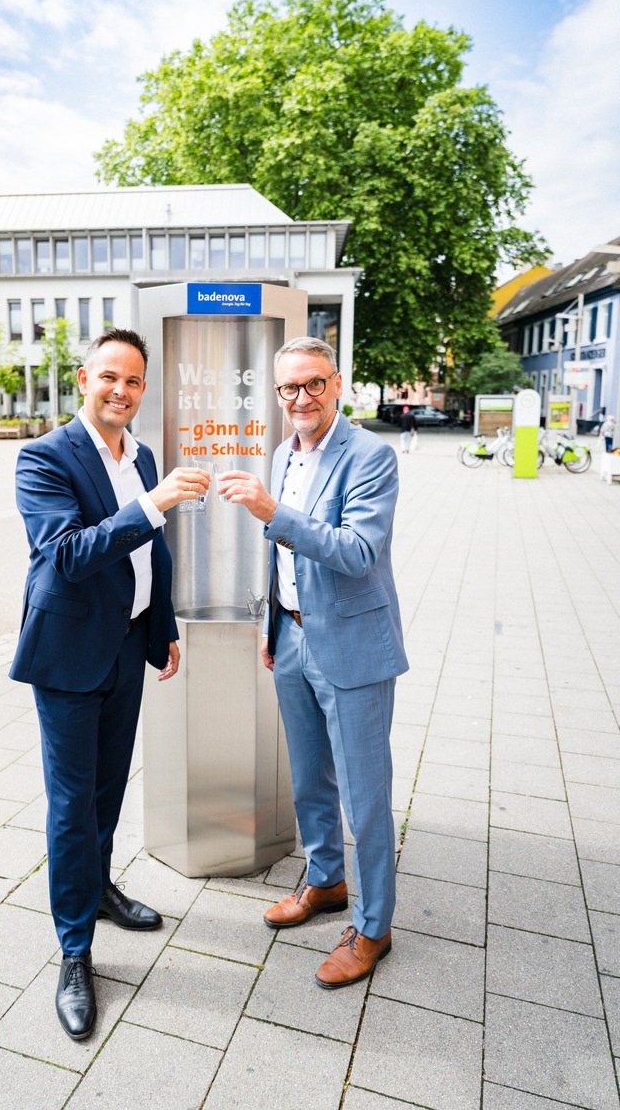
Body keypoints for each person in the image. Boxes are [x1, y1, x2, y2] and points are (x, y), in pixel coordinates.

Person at [10, 328, 210, 1040]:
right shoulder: (44, 458)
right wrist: (152, 503)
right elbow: (66, 555)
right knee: (71, 807)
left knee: (107, 790)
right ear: (83, 378)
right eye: (109, 378)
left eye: (133, 382)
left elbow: (148, 553)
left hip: (126, 648)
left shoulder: (141, 454)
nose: (121, 391)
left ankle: (96, 893)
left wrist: (163, 630)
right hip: (67, 658)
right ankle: (74, 953)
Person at [217, 337, 408, 989]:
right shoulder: (282, 452)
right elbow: (281, 557)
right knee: (308, 779)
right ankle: (326, 882)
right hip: (293, 637)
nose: (300, 399)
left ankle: (374, 926)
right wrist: (273, 624)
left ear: (338, 383)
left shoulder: (371, 456)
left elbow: (357, 552)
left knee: (365, 795)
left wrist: (272, 511)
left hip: (352, 647)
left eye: (313, 385)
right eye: (287, 389)